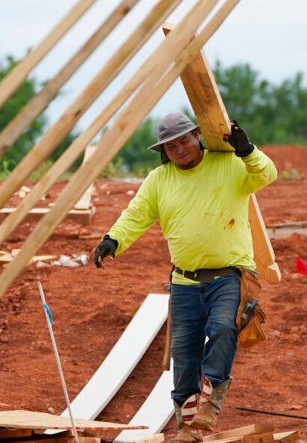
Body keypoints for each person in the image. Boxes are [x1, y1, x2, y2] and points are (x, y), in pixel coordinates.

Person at [93, 112, 277, 442]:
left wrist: (247, 149)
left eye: (184, 141)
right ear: (163, 150)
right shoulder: (159, 180)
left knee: (222, 329)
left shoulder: (229, 164)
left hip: (229, 275)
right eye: (171, 145)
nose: (179, 150)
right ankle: (187, 428)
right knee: (184, 355)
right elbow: (136, 215)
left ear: (196, 136)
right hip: (184, 282)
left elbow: (267, 174)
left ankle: (210, 404)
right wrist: (113, 239)